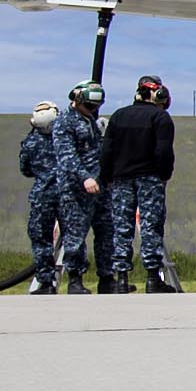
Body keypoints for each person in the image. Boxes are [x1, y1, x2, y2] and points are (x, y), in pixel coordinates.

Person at [98, 73, 181, 292]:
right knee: (151, 226)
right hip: (150, 179)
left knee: (121, 227)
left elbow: (106, 151)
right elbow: (164, 151)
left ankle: (122, 278)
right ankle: (153, 278)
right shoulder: (161, 118)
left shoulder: (118, 117)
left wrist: (106, 177)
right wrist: (164, 174)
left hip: (121, 179)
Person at [44, 82, 111, 292]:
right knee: (75, 234)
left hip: (99, 186)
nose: (92, 110)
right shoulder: (65, 122)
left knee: (107, 231)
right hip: (76, 188)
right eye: (89, 105)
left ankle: (107, 278)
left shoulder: (90, 121)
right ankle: (75, 279)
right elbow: (66, 156)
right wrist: (84, 178)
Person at [19, 99, 66, 291]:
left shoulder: (30, 142)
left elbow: (25, 169)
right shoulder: (65, 140)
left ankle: (45, 281)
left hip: (42, 194)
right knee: (72, 238)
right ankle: (76, 280)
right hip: (66, 194)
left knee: (41, 239)